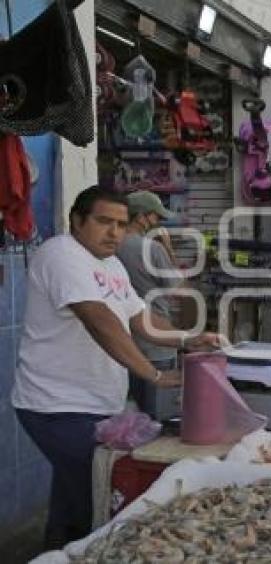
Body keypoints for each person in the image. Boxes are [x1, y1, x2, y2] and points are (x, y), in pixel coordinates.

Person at [11, 187, 225, 549]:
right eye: (103, 221)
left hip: (98, 405)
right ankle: (80, 550)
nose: (113, 232)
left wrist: (191, 339)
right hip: (56, 405)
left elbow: (140, 320)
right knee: (94, 493)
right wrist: (153, 374)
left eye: (121, 225)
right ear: (76, 221)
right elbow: (100, 321)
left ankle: (58, 548)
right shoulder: (62, 254)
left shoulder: (110, 265)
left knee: (75, 491)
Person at [115, 191, 184, 404]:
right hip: (156, 344)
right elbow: (178, 291)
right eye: (156, 217)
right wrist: (169, 249)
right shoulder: (153, 249)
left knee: (129, 413)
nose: (158, 222)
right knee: (158, 416)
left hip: (121, 345)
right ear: (141, 217)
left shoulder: (111, 247)